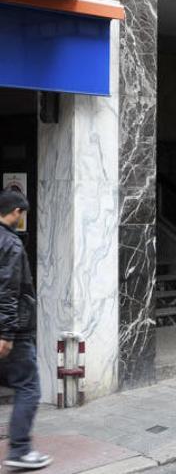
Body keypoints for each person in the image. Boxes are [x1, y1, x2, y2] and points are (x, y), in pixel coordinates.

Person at [0, 190, 52, 470]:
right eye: (23, 215)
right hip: (14, 334)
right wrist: (7, 334)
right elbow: (8, 291)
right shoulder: (10, 243)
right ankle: (19, 450)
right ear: (17, 212)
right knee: (29, 388)